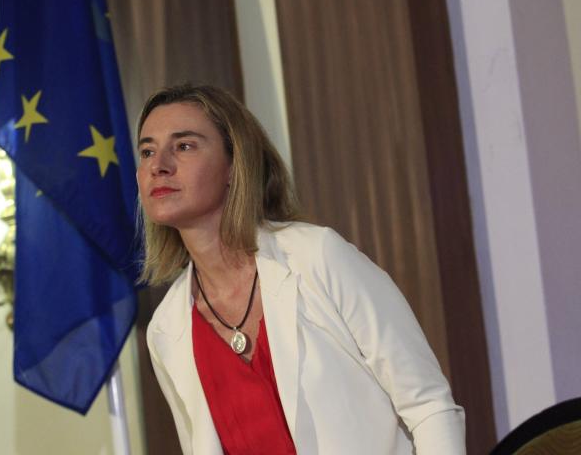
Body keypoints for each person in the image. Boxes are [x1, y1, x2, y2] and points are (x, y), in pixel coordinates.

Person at [137, 84, 466, 454]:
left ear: (234, 164)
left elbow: (429, 406)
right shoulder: (166, 329)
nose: (158, 165)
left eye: (184, 146)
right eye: (147, 151)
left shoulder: (318, 256)